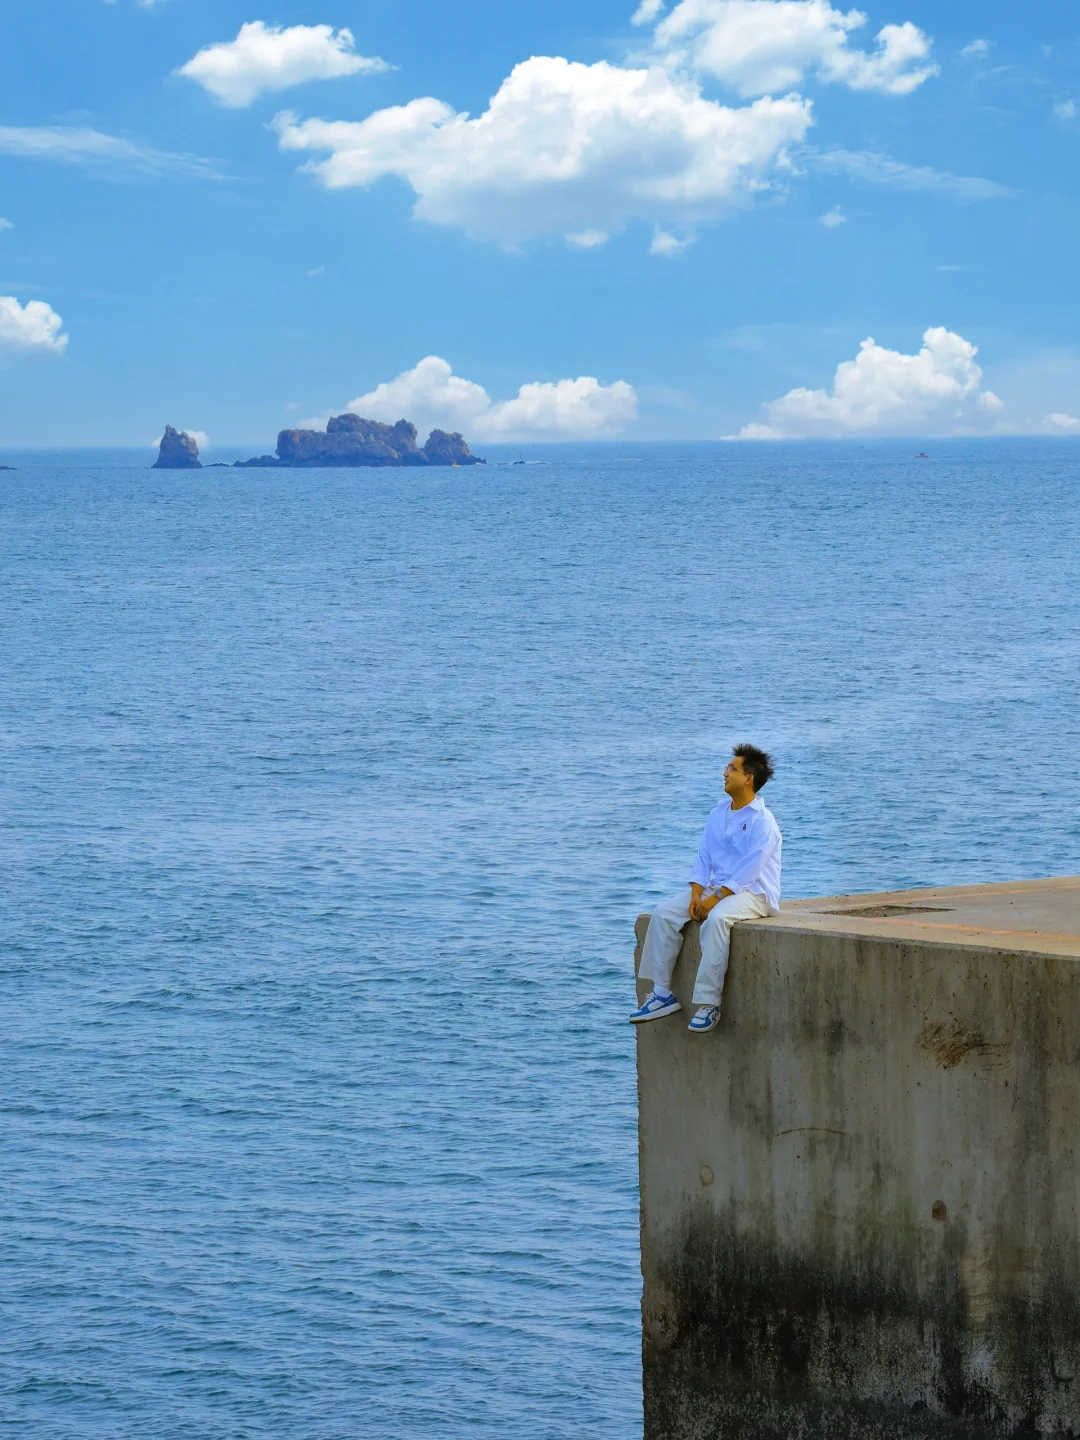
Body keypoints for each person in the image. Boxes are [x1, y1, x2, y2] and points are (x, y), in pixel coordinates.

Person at [630, 744, 781, 1034]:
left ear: (748, 778)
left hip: (755, 894)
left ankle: (709, 1004)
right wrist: (698, 894)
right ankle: (662, 993)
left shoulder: (764, 821)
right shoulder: (718, 813)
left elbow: (751, 869)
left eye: (732, 769)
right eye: (727, 768)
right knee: (663, 914)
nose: (725, 773)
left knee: (716, 920)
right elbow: (704, 858)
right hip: (715, 888)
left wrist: (715, 899)